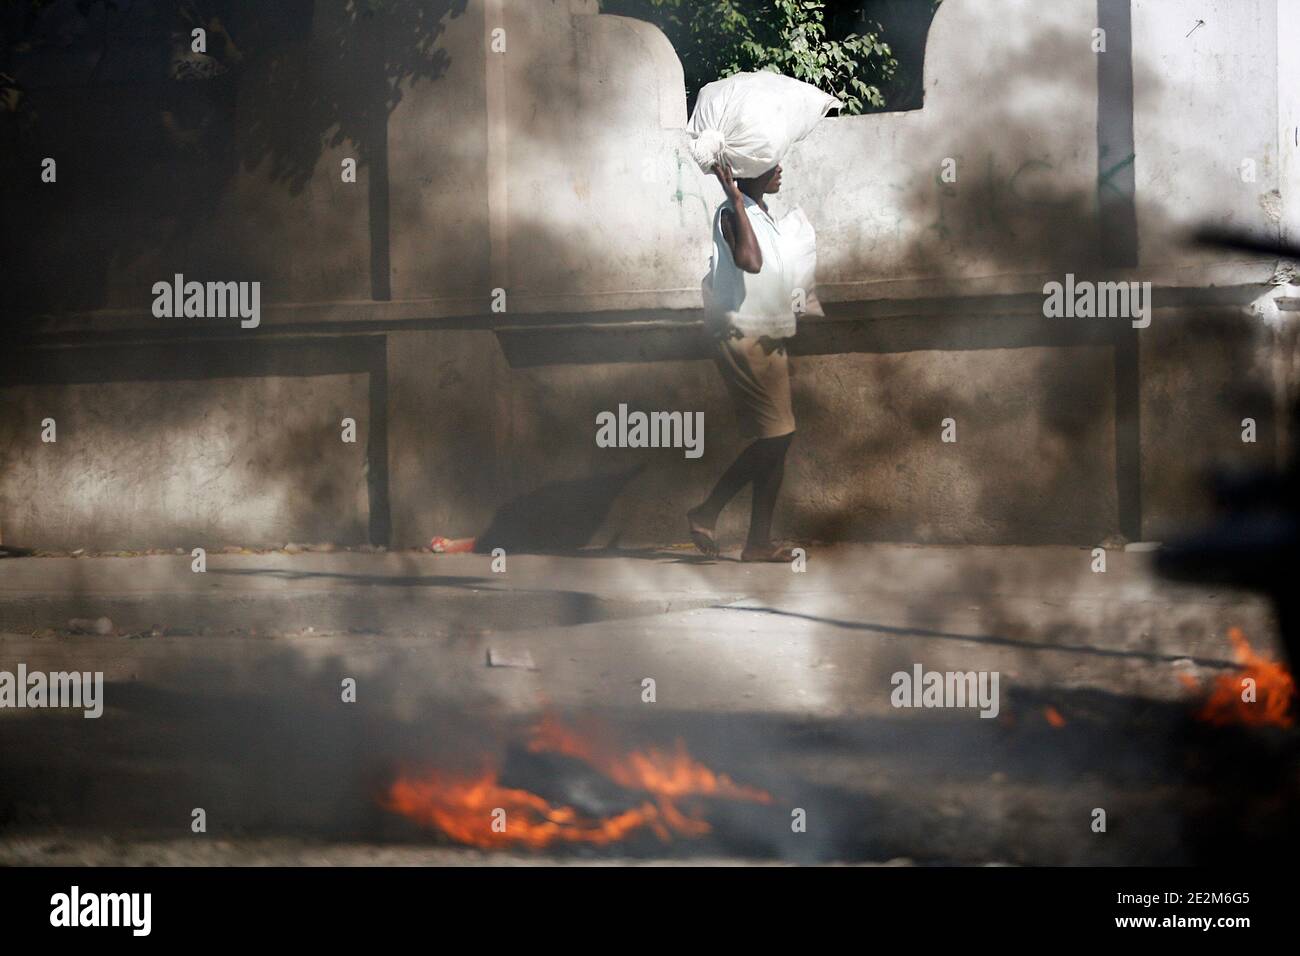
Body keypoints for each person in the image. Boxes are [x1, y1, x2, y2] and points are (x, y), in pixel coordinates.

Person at [689, 159, 798, 562]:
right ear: (747, 173)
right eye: (769, 164)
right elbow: (750, 262)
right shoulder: (730, 212)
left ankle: (757, 542)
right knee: (776, 435)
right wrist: (734, 197)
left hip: (767, 334)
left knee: (780, 437)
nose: (779, 170)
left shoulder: (760, 212)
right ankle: (707, 511)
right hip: (741, 334)